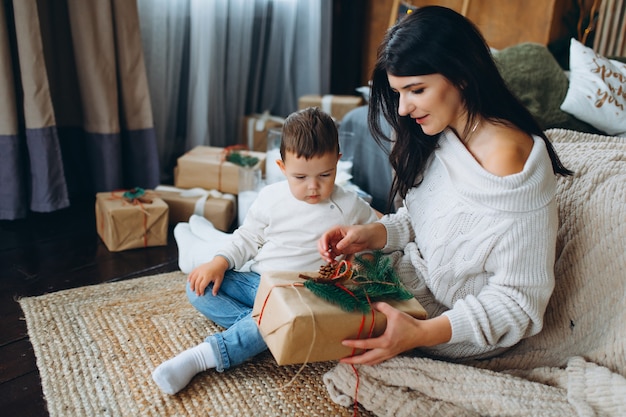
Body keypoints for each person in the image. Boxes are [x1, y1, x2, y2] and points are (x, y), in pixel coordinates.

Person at [318, 6, 573, 366]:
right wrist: (372, 233)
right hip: (412, 285)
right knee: (294, 273)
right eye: (398, 93)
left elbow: (518, 302)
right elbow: (430, 226)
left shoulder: (509, 163)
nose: (404, 109)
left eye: (416, 90)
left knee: (299, 317)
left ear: (462, 75)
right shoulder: (445, 131)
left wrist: (420, 333)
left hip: (455, 325)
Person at [152, 106, 380, 394]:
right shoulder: (271, 198)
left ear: (338, 160)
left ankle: (202, 357)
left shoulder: (351, 206)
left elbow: (372, 243)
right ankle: (267, 328)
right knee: (197, 287)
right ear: (282, 167)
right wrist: (219, 262)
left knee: (273, 316)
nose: (313, 187)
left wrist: (355, 265)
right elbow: (246, 237)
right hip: (257, 281)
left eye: (325, 174)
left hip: (303, 293)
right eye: (300, 177)